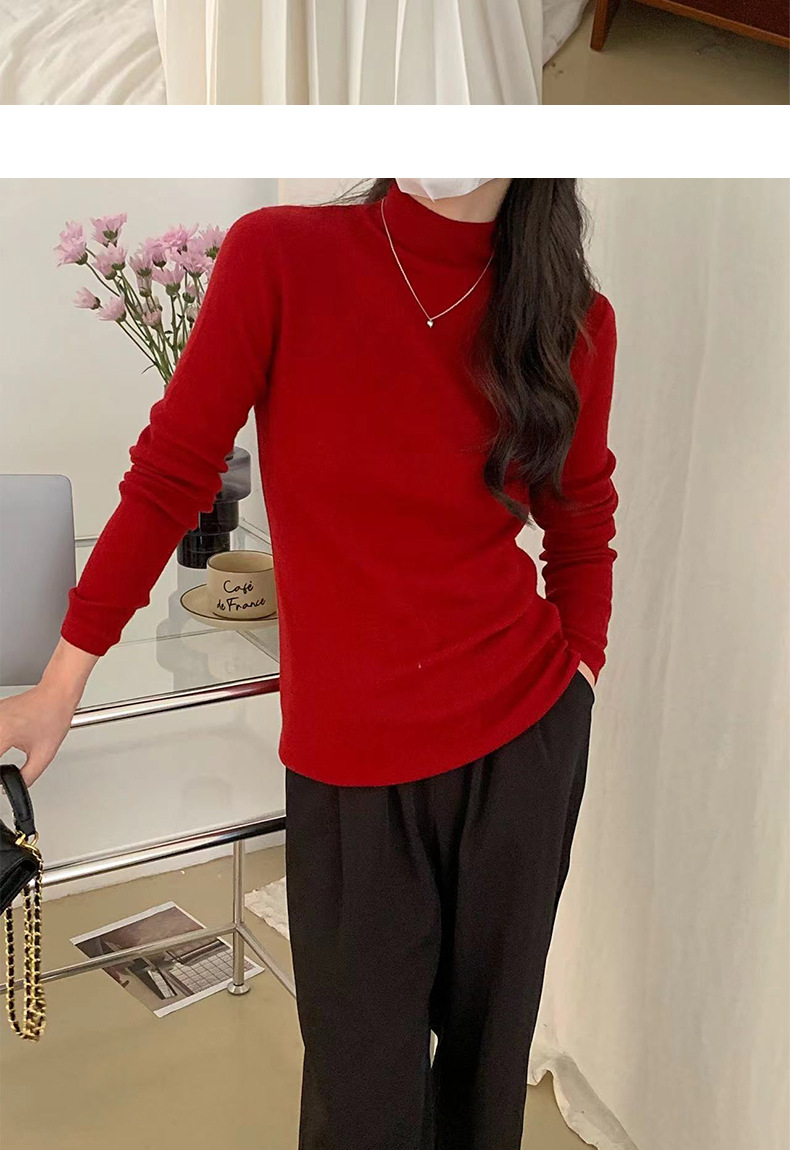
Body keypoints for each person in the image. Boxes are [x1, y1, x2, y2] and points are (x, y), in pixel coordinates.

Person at [0, 178, 618, 1149]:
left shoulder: (569, 317)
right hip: (349, 770)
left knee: (484, 1090)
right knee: (359, 1104)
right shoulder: (281, 257)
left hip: (521, 748)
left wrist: (578, 679)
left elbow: (581, 526)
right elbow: (173, 473)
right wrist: (62, 680)